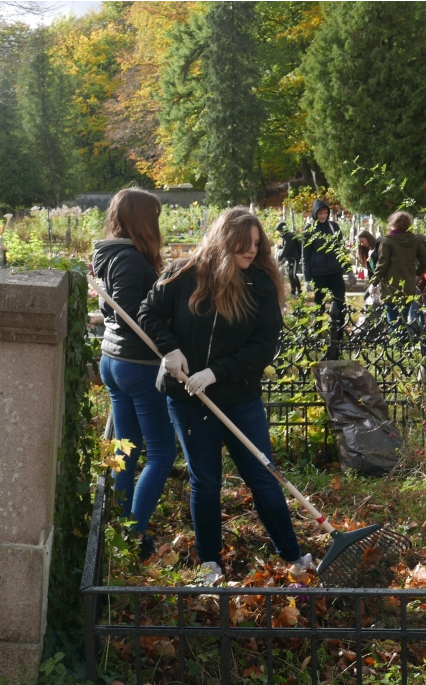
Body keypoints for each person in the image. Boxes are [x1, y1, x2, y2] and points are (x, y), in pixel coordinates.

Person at [139, 207, 311, 585]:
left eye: (255, 243)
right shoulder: (184, 274)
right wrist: (169, 350)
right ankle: (209, 564)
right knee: (206, 482)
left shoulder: (261, 283)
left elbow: (265, 344)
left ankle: (295, 556)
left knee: (262, 476)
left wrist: (217, 372)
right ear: (223, 241)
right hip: (188, 399)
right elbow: (148, 311)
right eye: (242, 245)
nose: (251, 251)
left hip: (239, 396)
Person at [92, 188, 177, 559]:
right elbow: (132, 313)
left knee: (125, 449)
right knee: (161, 452)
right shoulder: (127, 259)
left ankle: (121, 523)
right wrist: (167, 338)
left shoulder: (109, 253)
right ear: (143, 219)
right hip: (136, 366)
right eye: (154, 218)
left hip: (115, 361)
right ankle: (134, 537)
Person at [301, 200, 348, 358]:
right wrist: (307, 278)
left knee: (339, 302)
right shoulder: (309, 229)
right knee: (319, 305)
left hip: (335, 272)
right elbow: (305, 255)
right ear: (315, 214)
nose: (323, 216)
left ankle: (339, 336)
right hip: (319, 273)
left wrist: (349, 270)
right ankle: (317, 334)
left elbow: (341, 249)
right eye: (320, 213)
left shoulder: (333, 227)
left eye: (325, 213)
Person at [372, 211, 426, 329]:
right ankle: (404, 343)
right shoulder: (414, 240)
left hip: (391, 286)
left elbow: (382, 265)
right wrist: (416, 272)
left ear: (393, 223)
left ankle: (397, 346)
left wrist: (374, 283)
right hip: (408, 286)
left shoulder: (387, 241)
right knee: (403, 320)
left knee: (393, 320)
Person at [276, 222, 302, 296]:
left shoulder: (288, 237)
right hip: (291, 258)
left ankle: (299, 291)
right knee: (290, 275)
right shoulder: (286, 237)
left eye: (280, 231)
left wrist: (279, 258)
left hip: (294, 257)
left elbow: (286, 249)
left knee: (293, 274)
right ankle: (293, 291)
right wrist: (280, 247)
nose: (279, 233)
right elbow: (285, 247)